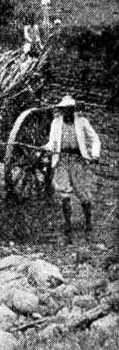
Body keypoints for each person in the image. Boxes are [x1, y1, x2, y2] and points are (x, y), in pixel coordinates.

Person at [43, 95, 101, 244]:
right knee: (64, 193)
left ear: (73, 109)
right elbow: (52, 142)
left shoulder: (82, 122)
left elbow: (95, 139)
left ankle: (88, 223)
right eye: (64, 109)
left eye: (69, 109)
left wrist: (95, 155)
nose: (67, 112)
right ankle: (67, 227)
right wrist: (47, 148)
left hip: (77, 160)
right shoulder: (56, 123)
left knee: (83, 193)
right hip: (61, 159)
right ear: (61, 110)